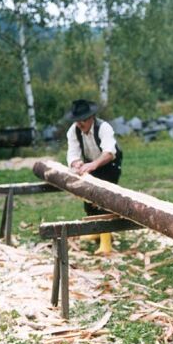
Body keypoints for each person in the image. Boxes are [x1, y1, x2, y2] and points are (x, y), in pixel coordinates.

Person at [65, 99, 122, 254]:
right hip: (91, 163)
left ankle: (106, 242)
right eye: (77, 121)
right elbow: (73, 152)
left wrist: (93, 165)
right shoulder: (73, 131)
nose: (80, 124)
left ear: (91, 118)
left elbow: (109, 153)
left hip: (109, 163)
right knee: (88, 197)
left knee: (104, 199)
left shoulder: (104, 127)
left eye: (83, 120)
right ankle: (95, 231)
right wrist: (76, 162)